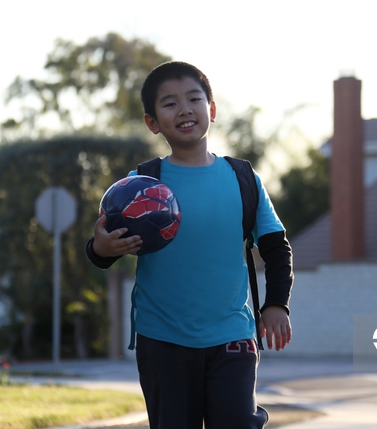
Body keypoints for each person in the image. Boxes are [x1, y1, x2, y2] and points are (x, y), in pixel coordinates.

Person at [86, 61, 293, 428]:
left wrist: (276, 304)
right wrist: (101, 249)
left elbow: (277, 247)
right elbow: (101, 246)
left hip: (232, 334)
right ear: (153, 122)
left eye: (194, 98)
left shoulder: (242, 178)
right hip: (162, 338)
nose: (184, 109)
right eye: (169, 103)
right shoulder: (141, 184)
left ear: (211, 110)